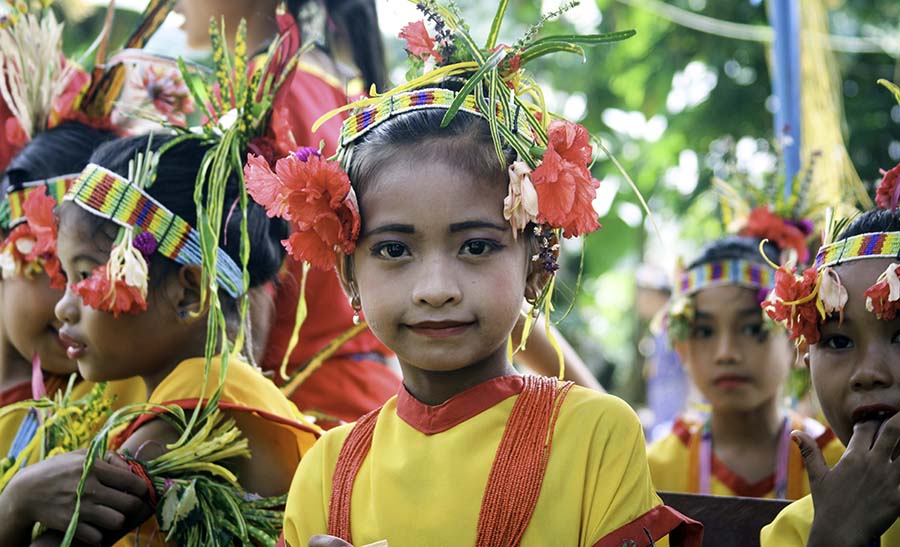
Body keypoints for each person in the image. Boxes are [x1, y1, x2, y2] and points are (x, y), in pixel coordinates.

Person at [248, 4, 700, 545]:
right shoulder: (326, 468)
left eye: (477, 246)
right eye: (393, 249)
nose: (436, 288)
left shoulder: (594, 434)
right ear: (348, 274)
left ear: (536, 263)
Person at [760, 161, 900, 545]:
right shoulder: (794, 533)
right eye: (838, 341)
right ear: (806, 356)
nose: (869, 372)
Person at [648, 234, 842, 499]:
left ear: (794, 338)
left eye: (752, 328)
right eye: (705, 332)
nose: (725, 354)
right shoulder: (654, 471)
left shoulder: (839, 465)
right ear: (683, 348)